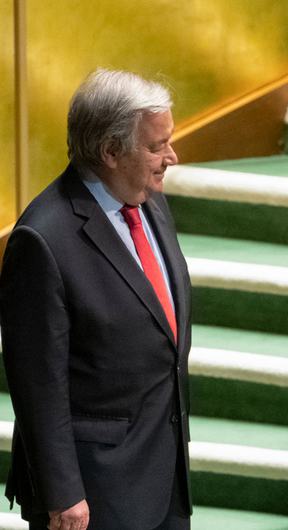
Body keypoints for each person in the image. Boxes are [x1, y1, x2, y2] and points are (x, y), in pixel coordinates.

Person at [0, 69, 192, 530]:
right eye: (155, 146)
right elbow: (37, 384)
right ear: (110, 151)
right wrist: (62, 493)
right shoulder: (42, 239)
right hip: (91, 495)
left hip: (163, 477)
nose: (172, 156)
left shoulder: (150, 203)